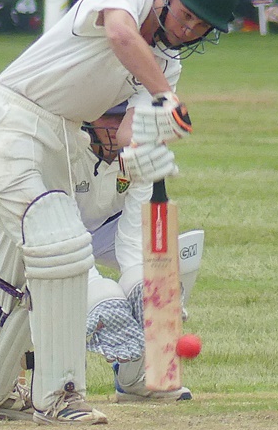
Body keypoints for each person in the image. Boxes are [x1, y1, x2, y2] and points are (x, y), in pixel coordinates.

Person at [0, 0, 237, 425]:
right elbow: (121, 36)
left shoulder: (167, 65)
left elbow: (126, 132)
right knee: (61, 246)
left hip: (65, 140)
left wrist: (148, 144)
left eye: (202, 26)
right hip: (12, 117)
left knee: (30, 263)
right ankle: (59, 396)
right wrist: (165, 99)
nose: (190, 30)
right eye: (187, 16)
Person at [75, 103, 202, 403]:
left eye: (123, 115)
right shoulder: (69, 149)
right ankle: (59, 381)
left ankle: (134, 379)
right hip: (59, 229)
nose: (116, 124)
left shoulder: (139, 153)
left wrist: (152, 297)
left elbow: (134, 240)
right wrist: (99, 293)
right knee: (87, 294)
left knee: (165, 266)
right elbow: (64, 233)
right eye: (108, 115)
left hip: (110, 230)